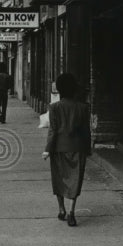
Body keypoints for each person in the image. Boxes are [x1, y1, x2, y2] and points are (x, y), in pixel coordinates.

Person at [42, 73, 92, 227]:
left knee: (58, 179)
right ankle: (72, 211)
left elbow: (53, 131)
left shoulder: (54, 107)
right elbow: (86, 131)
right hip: (77, 147)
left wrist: (47, 150)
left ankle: (61, 209)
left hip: (58, 148)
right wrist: (88, 148)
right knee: (75, 179)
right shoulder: (83, 108)